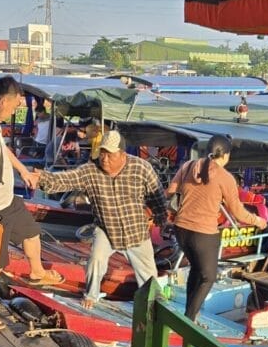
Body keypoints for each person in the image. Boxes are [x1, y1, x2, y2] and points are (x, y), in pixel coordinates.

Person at [0, 75, 64, 332]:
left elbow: (4, 151)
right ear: (2, 101)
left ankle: (37, 271)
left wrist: (24, 171)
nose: (15, 110)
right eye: (15, 106)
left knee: (31, 232)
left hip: (6, 199)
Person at [28, 130, 169, 308]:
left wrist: (161, 215)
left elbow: (157, 196)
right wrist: (42, 178)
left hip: (135, 230)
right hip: (106, 228)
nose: (104, 158)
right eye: (102, 152)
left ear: (122, 154)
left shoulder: (141, 168)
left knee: (148, 275)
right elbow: (65, 180)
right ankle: (91, 295)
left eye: (109, 154)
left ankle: (154, 305)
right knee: (96, 260)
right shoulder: (91, 170)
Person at [167, 134, 267, 324]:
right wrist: (258, 221)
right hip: (203, 234)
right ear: (226, 156)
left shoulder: (188, 166)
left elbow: (170, 192)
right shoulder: (225, 178)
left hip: (181, 231)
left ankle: (192, 314)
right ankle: (189, 320)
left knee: (197, 270)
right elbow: (237, 212)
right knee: (209, 276)